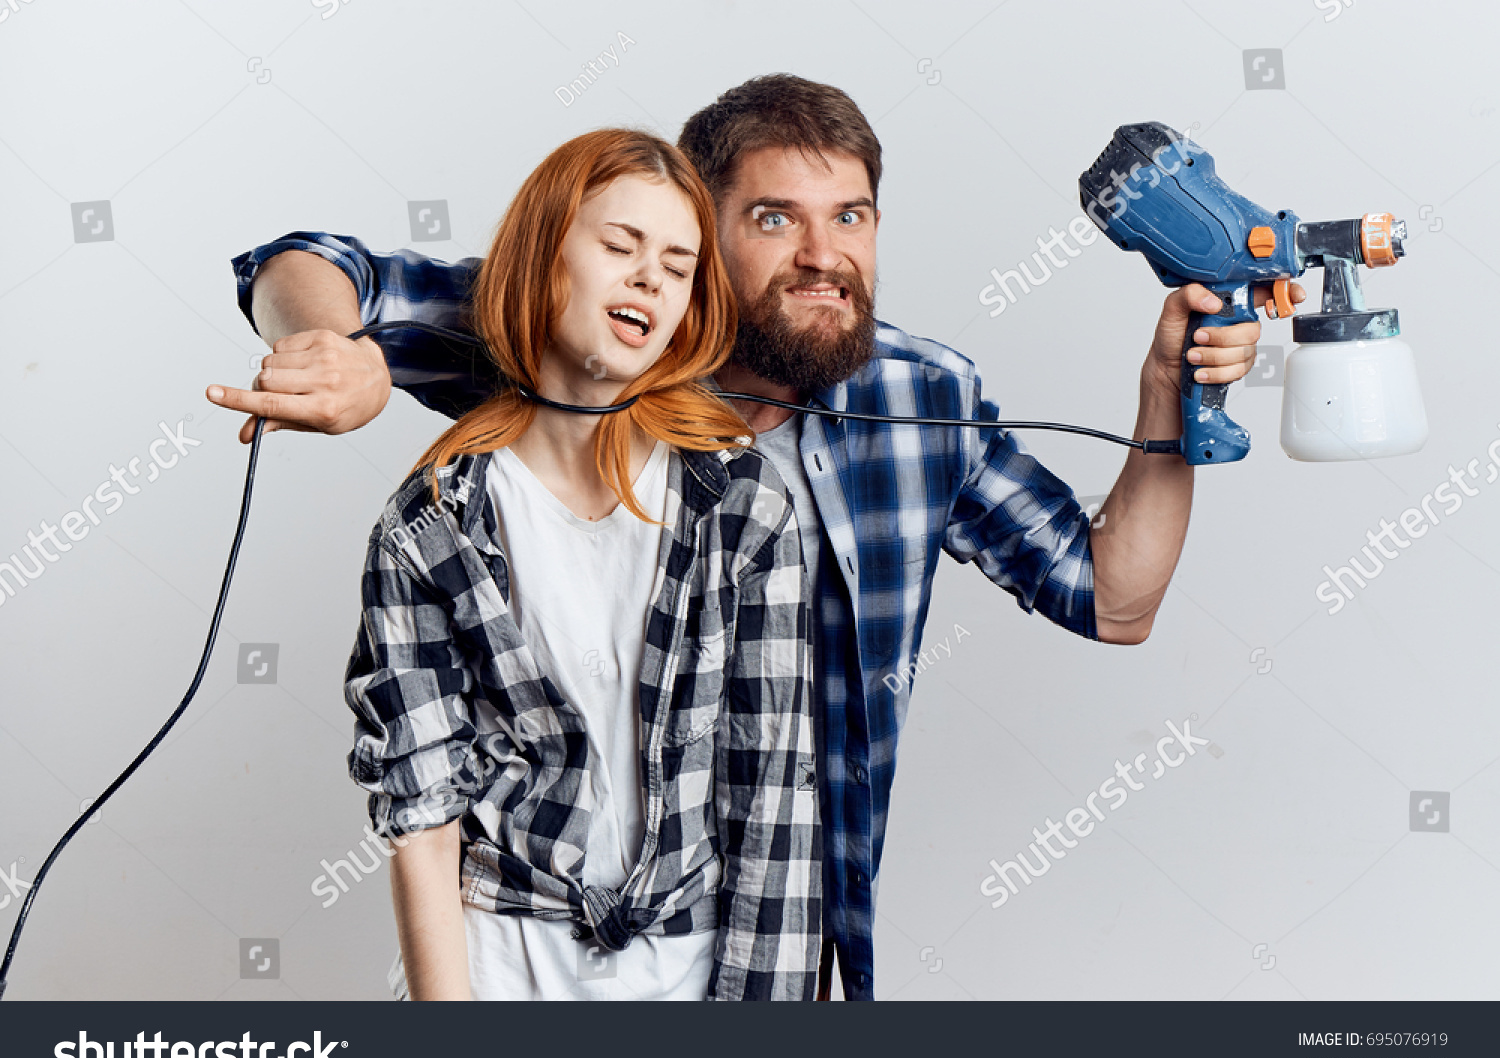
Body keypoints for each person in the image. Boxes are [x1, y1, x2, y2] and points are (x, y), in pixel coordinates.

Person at [219, 75, 1297, 999]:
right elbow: (300, 262)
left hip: (790, 922)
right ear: (701, 228)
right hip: (538, 936)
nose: (825, 256)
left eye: (854, 217)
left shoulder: (921, 401)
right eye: (777, 219)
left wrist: (1165, 394)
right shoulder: (587, 332)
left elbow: (1114, 598)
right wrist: (334, 346)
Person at [336, 128, 821, 1001]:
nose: (650, 279)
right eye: (620, 246)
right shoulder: (431, 525)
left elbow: (773, 802)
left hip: (694, 966)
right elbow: (423, 814)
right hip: (499, 964)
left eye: (678, 266)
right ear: (541, 259)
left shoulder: (743, 505)